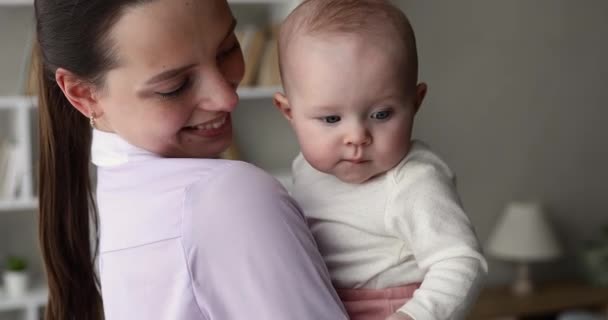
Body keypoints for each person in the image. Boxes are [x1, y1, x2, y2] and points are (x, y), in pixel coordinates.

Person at [35, 0, 349, 319]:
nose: (228, 99)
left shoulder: (117, 194)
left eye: (227, 48)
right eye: (174, 87)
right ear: (83, 94)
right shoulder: (227, 196)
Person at [273, 0, 488, 319]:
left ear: (415, 103)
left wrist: (412, 315)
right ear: (289, 113)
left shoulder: (414, 180)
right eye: (331, 119)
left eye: (381, 114)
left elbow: (460, 261)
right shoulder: (305, 170)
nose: (357, 136)